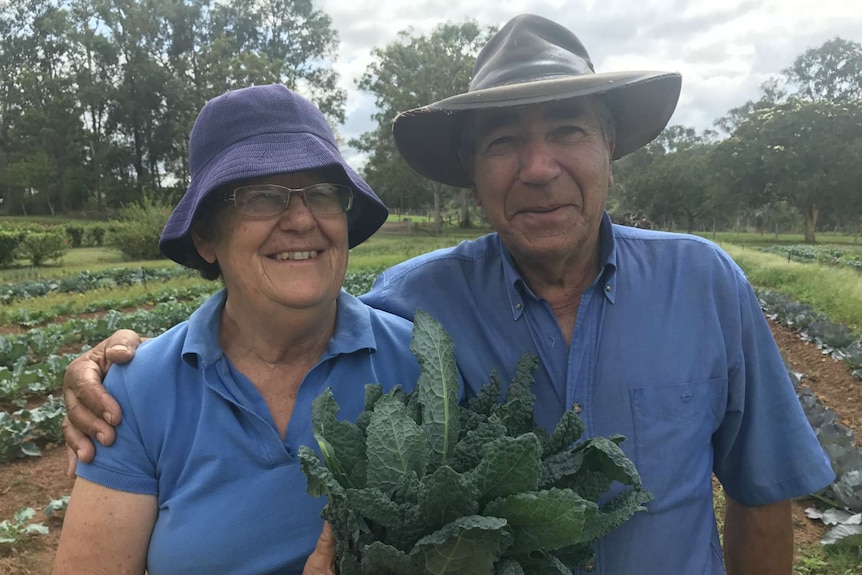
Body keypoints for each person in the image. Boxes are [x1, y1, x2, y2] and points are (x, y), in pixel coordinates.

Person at [62, 14, 834, 575]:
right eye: (503, 142)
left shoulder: (704, 283)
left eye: (567, 130)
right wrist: (118, 360)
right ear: (472, 171)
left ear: (609, 149)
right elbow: (277, 311)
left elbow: (761, 494)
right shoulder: (416, 308)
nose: (538, 167)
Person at [53, 84, 421, 575]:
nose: (301, 219)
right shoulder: (134, 394)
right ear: (206, 235)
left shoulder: (421, 364)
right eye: (261, 196)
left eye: (324, 193)